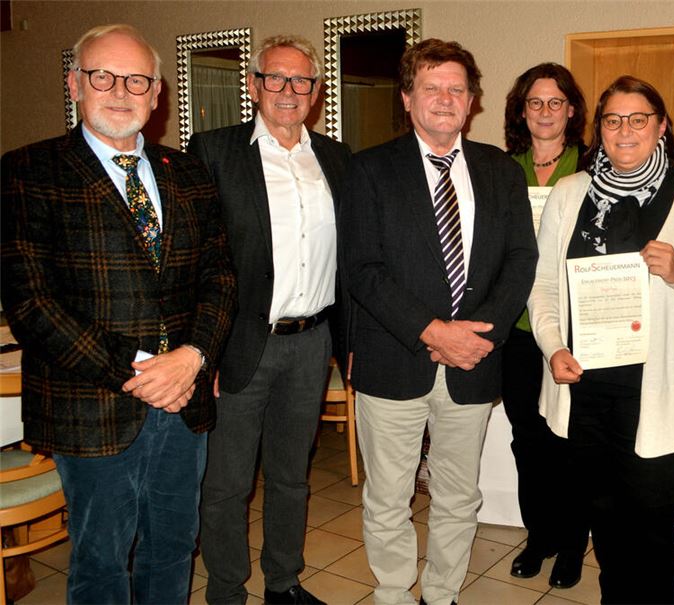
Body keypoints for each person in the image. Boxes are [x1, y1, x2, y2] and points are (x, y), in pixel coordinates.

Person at [0, 24, 236, 604]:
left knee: (174, 546)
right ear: (75, 84)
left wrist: (194, 356)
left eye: (136, 80)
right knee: (101, 563)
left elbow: (220, 276)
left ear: (156, 94)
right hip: (93, 404)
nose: (120, 91)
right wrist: (140, 370)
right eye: (103, 76)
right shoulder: (28, 170)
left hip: (184, 399)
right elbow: (30, 303)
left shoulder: (188, 171)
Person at [528, 75, 674, 604]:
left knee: (652, 522)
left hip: (657, 391)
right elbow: (544, 284)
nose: (625, 130)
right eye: (613, 120)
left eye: (638, 119)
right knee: (602, 516)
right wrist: (553, 346)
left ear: (661, 126)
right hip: (583, 386)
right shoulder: (570, 193)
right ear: (598, 128)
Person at [341, 39, 537, 605]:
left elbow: (520, 260)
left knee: (458, 495)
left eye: (457, 89)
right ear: (407, 98)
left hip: (474, 361)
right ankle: (393, 593)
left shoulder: (501, 171)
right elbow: (362, 269)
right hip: (393, 359)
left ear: (472, 101)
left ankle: (442, 594)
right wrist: (433, 331)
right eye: (432, 87)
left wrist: (480, 335)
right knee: (388, 498)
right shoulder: (369, 169)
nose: (445, 99)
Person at [188, 34, 351, 605]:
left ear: (316, 91)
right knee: (227, 484)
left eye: (301, 80)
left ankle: (283, 583)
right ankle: (227, 592)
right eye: (275, 78)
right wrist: (202, 349)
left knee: (291, 477)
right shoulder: (214, 150)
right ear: (254, 86)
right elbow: (194, 257)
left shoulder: (336, 158)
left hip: (312, 343)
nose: (288, 90)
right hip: (239, 344)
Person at [500, 62, 589, 588]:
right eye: (535, 102)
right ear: (522, 111)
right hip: (515, 326)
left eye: (556, 102)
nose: (546, 111)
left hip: (572, 326)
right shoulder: (500, 169)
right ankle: (540, 535)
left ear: (571, 110)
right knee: (527, 437)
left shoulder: (592, 166)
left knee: (569, 440)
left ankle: (573, 543)